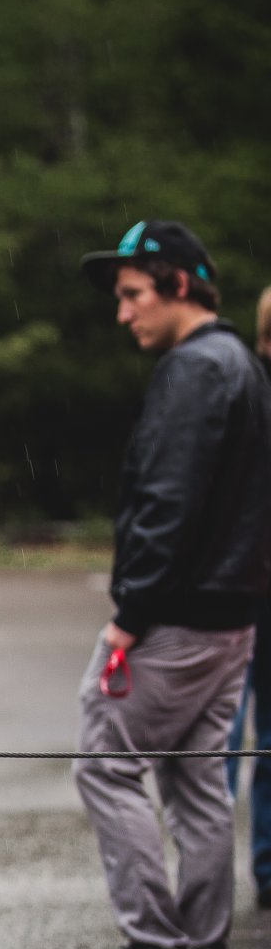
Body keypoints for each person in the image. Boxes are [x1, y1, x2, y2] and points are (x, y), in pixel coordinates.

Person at [70, 221, 271, 949]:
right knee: (195, 784)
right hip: (232, 619)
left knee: (103, 762)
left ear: (179, 286)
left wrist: (132, 615)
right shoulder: (247, 368)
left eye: (133, 296)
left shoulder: (196, 372)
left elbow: (169, 503)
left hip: (177, 619)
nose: (124, 314)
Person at [221, 283, 271, 908]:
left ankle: (268, 867)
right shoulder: (246, 393)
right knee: (221, 737)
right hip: (238, 592)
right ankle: (204, 875)